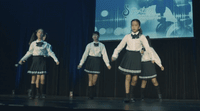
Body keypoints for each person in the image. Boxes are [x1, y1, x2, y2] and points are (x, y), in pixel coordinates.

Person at [111, 19, 154, 103]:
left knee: (135, 79)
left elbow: (148, 48)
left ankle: (131, 94)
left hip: (137, 57)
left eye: (136, 25)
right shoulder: (127, 36)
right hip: (128, 56)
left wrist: (152, 58)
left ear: (139, 26)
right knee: (128, 77)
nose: (134, 27)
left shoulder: (142, 37)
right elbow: (120, 46)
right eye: (132, 25)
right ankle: (127, 96)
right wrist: (114, 55)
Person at [19, 29, 59, 99]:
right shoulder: (33, 43)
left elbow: (50, 52)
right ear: (36, 34)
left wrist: (56, 60)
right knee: (33, 78)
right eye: (38, 32)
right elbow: (29, 52)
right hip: (35, 60)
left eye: (41, 32)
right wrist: (22, 59)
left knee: (42, 78)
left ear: (43, 34)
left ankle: (41, 93)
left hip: (42, 61)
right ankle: (33, 94)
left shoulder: (46, 44)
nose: (40, 33)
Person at [77, 31, 111, 99]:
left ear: (98, 36)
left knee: (94, 80)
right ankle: (90, 94)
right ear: (92, 37)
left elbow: (104, 55)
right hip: (90, 61)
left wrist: (107, 64)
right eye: (93, 35)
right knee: (90, 79)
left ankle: (92, 92)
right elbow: (85, 54)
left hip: (97, 61)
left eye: (96, 35)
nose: (95, 36)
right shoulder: (89, 45)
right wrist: (81, 64)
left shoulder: (102, 45)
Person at [139, 36, 164, 102]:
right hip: (143, 65)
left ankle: (159, 96)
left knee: (154, 81)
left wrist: (160, 65)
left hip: (150, 65)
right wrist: (140, 53)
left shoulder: (151, 49)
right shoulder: (140, 49)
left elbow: (156, 57)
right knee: (144, 81)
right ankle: (142, 97)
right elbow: (136, 58)